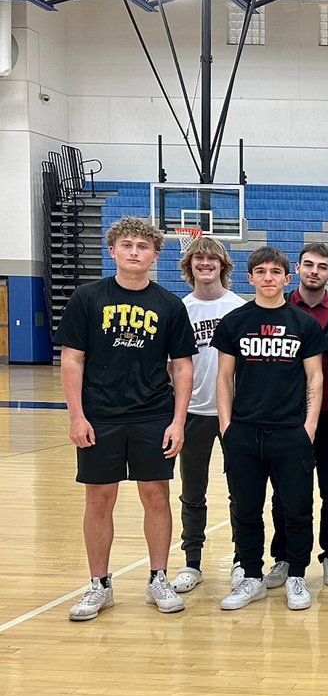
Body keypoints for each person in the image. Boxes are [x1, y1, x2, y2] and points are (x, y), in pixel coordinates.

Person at [59, 217, 197, 621]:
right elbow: (72, 359)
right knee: (99, 498)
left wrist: (178, 421)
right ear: (112, 250)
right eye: (127, 244)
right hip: (100, 416)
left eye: (143, 246)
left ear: (156, 254)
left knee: (155, 495)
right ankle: (99, 584)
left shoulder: (169, 304)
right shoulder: (87, 298)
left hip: (153, 414)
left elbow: (183, 366)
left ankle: (158, 578)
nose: (135, 251)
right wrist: (76, 416)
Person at [214, 247, 326, 612]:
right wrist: (227, 427)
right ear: (250, 278)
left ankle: (296, 575)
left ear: (286, 278)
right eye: (260, 272)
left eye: (274, 272)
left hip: (290, 432)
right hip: (244, 432)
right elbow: (223, 377)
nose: (267, 278)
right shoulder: (234, 321)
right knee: (245, 509)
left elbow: (315, 377)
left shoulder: (304, 324)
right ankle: (250, 576)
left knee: (296, 509)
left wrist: (308, 427)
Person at [266, 242, 328, 590]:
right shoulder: (276, 310)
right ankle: (284, 557)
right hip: (288, 418)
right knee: (284, 495)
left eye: (322, 266)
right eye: (309, 265)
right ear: (297, 269)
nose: (315, 271)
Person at [172, 236, 244, 594]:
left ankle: (241, 561)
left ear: (222, 266)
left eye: (211, 259)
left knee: (240, 491)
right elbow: (172, 365)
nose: (205, 263)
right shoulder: (179, 309)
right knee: (192, 492)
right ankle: (192, 563)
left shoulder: (239, 307)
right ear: (190, 266)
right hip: (194, 413)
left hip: (234, 413)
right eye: (198, 258)